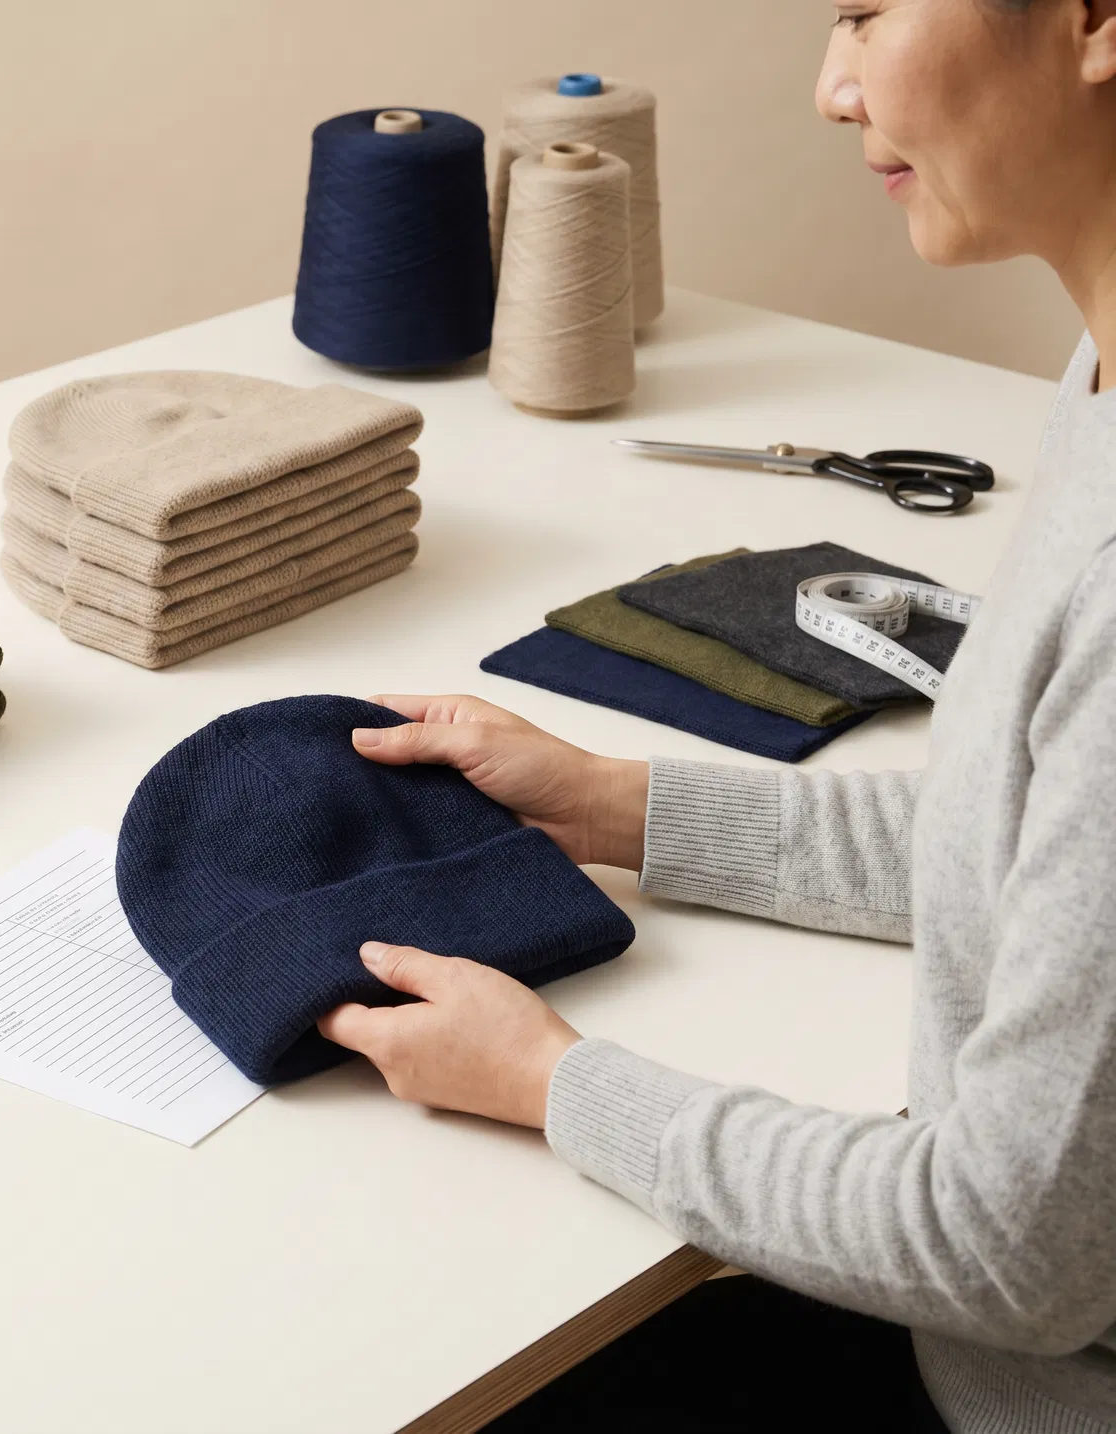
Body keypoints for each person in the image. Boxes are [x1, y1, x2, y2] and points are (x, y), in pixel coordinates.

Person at [317, 3, 1116, 1430]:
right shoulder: (1103, 369)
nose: (831, 87)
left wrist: (552, 1082)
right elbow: (1026, 833)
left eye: (869, 12)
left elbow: (1006, 1252)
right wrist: (609, 800)